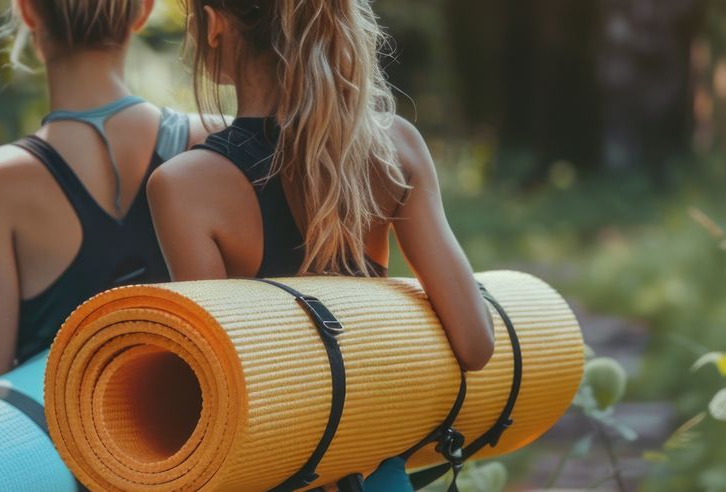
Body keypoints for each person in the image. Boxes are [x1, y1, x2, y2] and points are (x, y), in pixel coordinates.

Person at [147, 0, 497, 488]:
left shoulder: (185, 186)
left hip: (278, 474)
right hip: (378, 472)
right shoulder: (394, 147)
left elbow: (220, 394)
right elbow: (475, 343)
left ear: (215, 23)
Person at [0, 0, 221, 398]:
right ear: (143, 12)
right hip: (202, 444)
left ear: (28, 12)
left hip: (57, 454)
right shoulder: (214, 141)